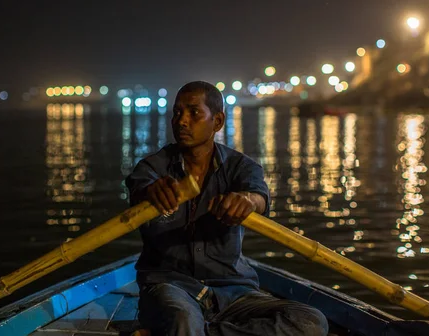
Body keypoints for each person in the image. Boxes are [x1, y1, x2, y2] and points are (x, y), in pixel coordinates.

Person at [126, 81, 328, 336]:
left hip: (233, 291)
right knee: (183, 320)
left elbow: (259, 197)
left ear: (218, 121)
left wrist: (247, 202)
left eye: (193, 112)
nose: (182, 121)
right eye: (177, 113)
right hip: (171, 287)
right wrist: (151, 193)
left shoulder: (241, 167)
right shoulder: (152, 168)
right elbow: (139, 188)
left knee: (311, 321)